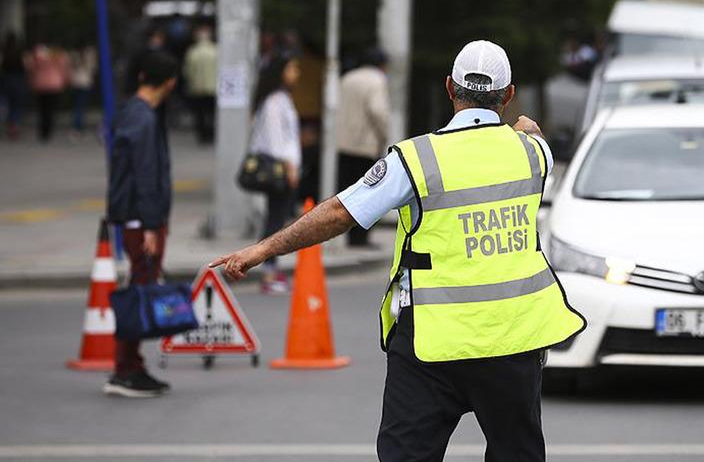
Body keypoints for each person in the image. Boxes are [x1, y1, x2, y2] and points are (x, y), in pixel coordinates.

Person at [211, 40, 586, 461]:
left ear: (449, 88)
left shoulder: (416, 159)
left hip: (431, 343)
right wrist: (525, 129)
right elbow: (533, 135)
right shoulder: (534, 154)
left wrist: (262, 249)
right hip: (513, 340)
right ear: (509, 94)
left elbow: (339, 212)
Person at [105, 51, 178, 398]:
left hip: (136, 217)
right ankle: (126, 369)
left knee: (140, 286)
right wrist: (152, 225)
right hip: (141, 220)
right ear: (170, 82)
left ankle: (131, 365)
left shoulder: (131, 112)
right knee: (139, 290)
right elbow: (145, 175)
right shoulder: (144, 119)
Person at [248, 53, 302, 294]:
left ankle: (271, 267)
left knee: (277, 217)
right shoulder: (274, 101)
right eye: (292, 68)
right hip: (279, 169)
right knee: (275, 220)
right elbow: (275, 140)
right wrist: (289, 167)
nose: (296, 73)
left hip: (285, 167)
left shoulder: (281, 99)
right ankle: (268, 271)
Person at [335, 47, 390, 247]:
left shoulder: (347, 78)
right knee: (368, 193)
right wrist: (384, 135)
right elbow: (378, 110)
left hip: (344, 143)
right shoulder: (377, 80)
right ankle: (361, 238)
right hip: (366, 145)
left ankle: (350, 236)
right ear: (382, 65)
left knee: (348, 192)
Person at [25, 43, 68, 142]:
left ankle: (43, 130)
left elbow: (31, 68)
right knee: (50, 109)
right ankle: (48, 130)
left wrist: (31, 81)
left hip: (40, 85)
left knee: (42, 109)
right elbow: (63, 69)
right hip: (54, 85)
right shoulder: (58, 55)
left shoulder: (37, 55)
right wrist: (64, 80)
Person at [183, 25, 217, 144]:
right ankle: (211, 134)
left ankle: (202, 134)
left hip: (197, 88)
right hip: (213, 87)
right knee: (212, 113)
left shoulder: (192, 52)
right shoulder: (216, 51)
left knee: (200, 113)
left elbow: (188, 71)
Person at [1, 32, 26, 140]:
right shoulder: (19, 52)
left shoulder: (4, 52)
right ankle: (14, 126)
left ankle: (7, 125)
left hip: (6, 80)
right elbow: (24, 67)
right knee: (16, 105)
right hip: (17, 80)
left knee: (5, 104)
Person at [68, 44, 97, 135]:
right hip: (85, 83)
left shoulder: (74, 55)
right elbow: (93, 68)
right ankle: (78, 126)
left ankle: (77, 125)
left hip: (76, 82)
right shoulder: (89, 55)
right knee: (81, 106)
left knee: (77, 105)